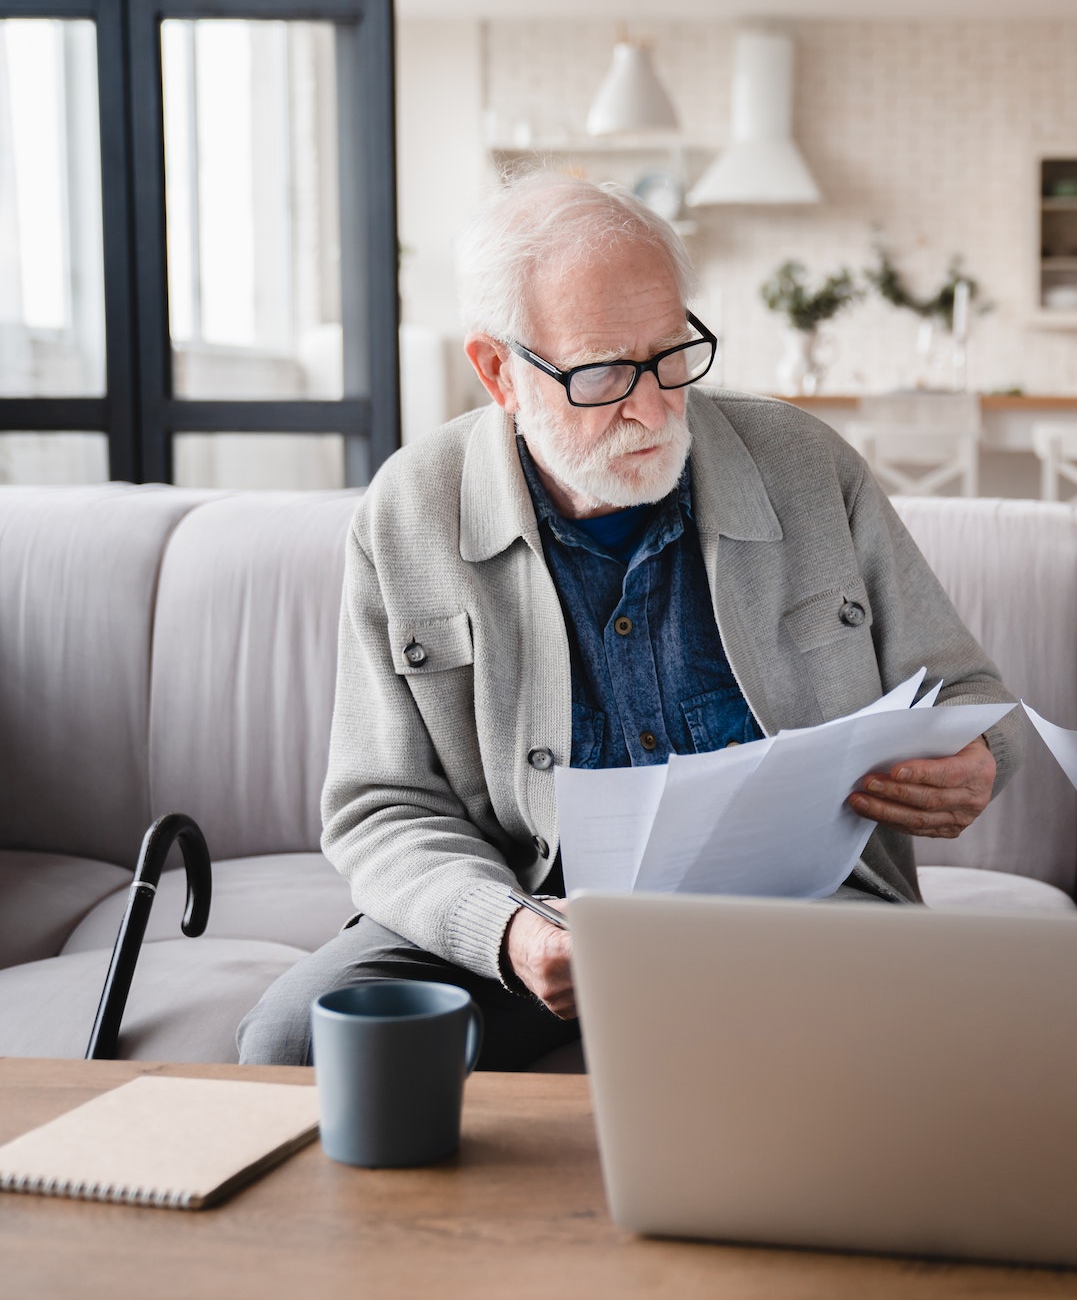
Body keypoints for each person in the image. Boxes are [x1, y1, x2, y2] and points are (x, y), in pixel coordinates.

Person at [238, 172, 1022, 1068]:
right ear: (500, 371)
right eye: (604, 371)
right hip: (532, 918)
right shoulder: (408, 513)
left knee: (942, 1040)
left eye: (671, 353)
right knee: (294, 1041)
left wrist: (978, 765)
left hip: (798, 920)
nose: (651, 407)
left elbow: (972, 697)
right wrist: (510, 933)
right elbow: (382, 806)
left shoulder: (807, 467)